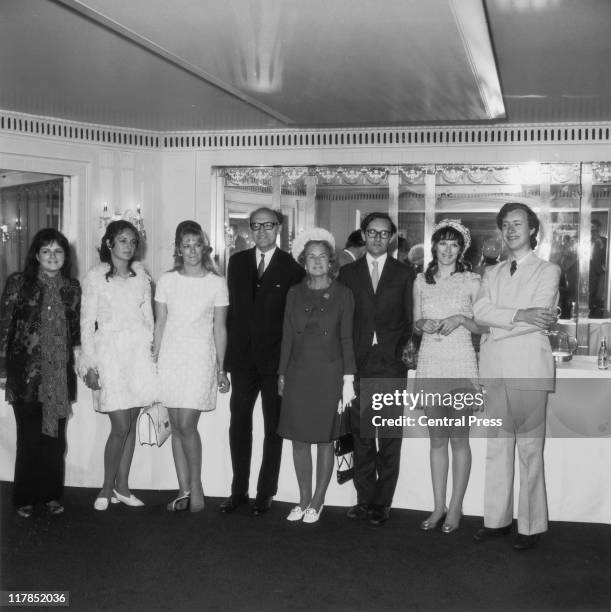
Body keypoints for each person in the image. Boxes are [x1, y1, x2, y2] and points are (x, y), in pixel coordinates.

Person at [473, 202, 560, 550]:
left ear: (533, 229)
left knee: (529, 451)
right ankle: (496, 521)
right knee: (497, 449)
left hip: (528, 369)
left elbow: (541, 320)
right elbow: (479, 312)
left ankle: (531, 525)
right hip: (494, 370)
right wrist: (521, 314)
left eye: (518, 223)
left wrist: (496, 327)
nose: (511, 230)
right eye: (506, 224)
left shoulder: (548, 271)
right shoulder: (490, 273)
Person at [221, 207, 305, 515]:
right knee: (239, 426)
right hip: (242, 361)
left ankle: (265, 493)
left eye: (268, 226)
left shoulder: (293, 268)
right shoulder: (237, 262)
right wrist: (225, 362)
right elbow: (231, 315)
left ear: (279, 228)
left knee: (274, 428)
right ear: (248, 229)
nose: (261, 232)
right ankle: (237, 491)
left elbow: (293, 322)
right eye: (255, 226)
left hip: (276, 363)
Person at [337, 212, 414, 525]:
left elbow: (410, 321)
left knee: (389, 437)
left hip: (391, 365)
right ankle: (364, 499)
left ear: (392, 237)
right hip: (357, 365)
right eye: (372, 232)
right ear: (363, 235)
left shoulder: (405, 274)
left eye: (384, 233)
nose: (378, 238)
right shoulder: (348, 273)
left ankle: (383, 502)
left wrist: (399, 354)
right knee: (363, 437)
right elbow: (343, 322)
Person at [0, 229, 81, 518]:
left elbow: (76, 331)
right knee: (30, 439)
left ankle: (50, 495)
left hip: (58, 375)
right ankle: (24, 496)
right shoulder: (19, 284)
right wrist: (2, 369)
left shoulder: (72, 288)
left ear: (65, 257)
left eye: (58, 251)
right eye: (46, 251)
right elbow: (5, 327)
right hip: (26, 376)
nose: (52, 256)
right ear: (36, 255)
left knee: (55, 441)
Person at [277, 232, 356, 523]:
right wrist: (281, 373)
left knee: (325, 438)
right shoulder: (294, 293)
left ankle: (318, 500)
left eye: (323, 256)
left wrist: (348, 380)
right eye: (311, 256)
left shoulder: (343, 294)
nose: (317, 261)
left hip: (329, 374)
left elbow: (347, 338)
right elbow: (286, 336)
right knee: (298, 438)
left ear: (331, 261)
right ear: (303, 261)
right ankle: (302, 498)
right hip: (298, 373)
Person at [78, 220, 158, 511]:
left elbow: (149, 318)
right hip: (109, 352)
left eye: (133, 241)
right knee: (120, 424)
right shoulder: (95, 277)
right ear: (109, 243)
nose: (128, 246)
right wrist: (89, 364)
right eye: (123, 240)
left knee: (132, 422)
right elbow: (87, 324)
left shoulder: (141, 276)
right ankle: (106, 486)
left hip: (137, 353)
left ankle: (122, 487)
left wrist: (151, 353)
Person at [413, 219, 486, 534]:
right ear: (434, 246)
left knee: (459, 440)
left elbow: (484, 326)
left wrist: (460, 318)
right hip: (430, 363)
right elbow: (415, 322)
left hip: (461, 364)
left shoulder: (473, 281)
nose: (447, 249)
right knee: (437, 440)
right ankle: (438, 504)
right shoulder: (420, 281)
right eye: (442, 243)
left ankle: (456, 506)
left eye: (453, 243)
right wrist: (423, 324)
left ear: (461, 248)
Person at [154, 221, 230, 513]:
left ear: (204, 247)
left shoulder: (216, 282)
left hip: (199, 357)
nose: (192, 250)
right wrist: (154, 358)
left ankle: (196, 485)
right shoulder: (167, 280)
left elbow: (220, 329)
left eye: (197, 244)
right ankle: (182, 489)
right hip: (171, 357)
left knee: (187, 424)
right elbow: (160, 323)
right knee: (175, 426)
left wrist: (222, 368)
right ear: (178, 249)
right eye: (186, 245)